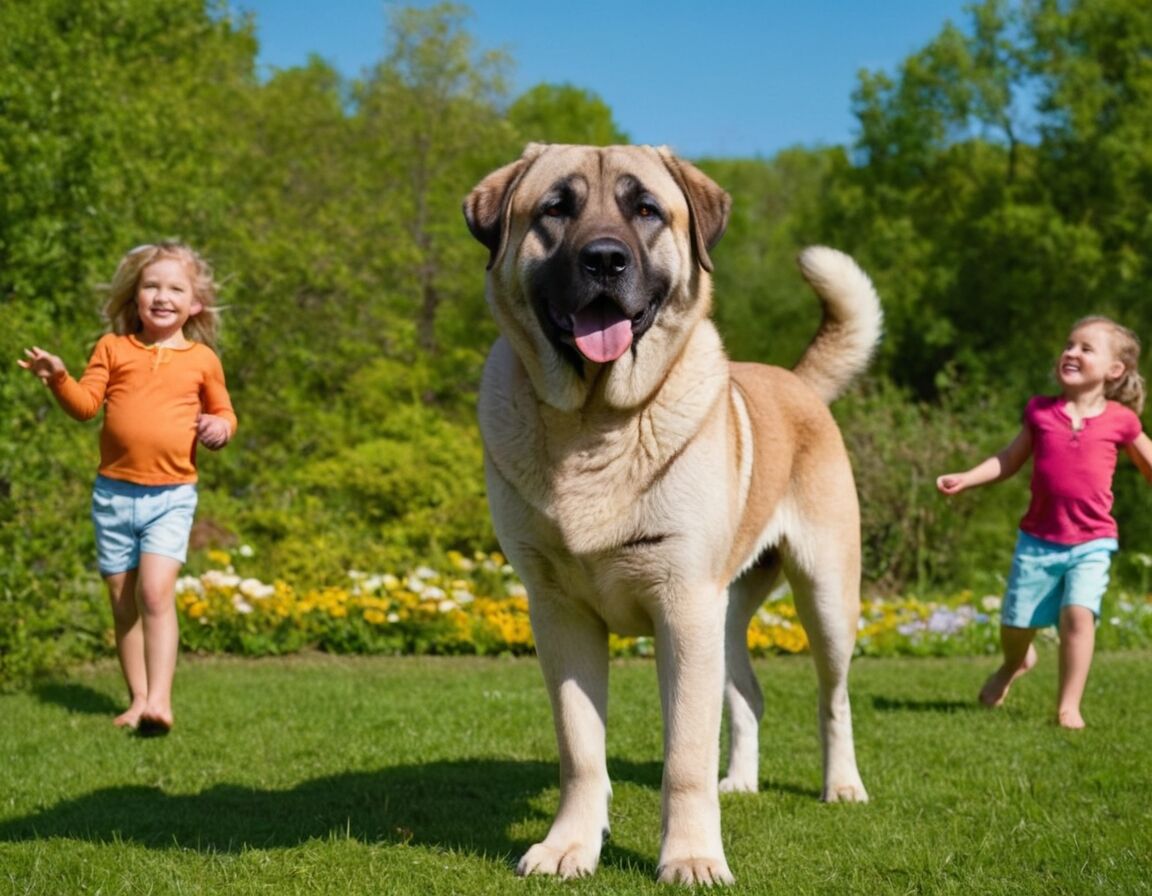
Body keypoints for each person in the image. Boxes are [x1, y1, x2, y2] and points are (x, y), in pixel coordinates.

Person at [19, 242, 236, 736]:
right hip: (113, 496)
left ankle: (161, 701)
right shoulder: (112, 348)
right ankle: (138, 700)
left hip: (171, 495)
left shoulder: (203, 360)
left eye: (175, 288)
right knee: (123, 602)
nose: (162, 296)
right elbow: (85, 406)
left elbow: (224, 412)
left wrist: (221, 429)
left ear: (195, 303)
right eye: (151, 286)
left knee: (156, 593)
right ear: (135, 295)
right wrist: (57, 379)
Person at [936, 316, 1152, 728]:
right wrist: (967, 478)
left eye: (1086, 349)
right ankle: (1015, 663)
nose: (1071, 353)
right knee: (1016, 623)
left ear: (1114, 370)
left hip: (1093, 540)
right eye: (1069, 345)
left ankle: (1068, 706)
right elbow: (1008, 459)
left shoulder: (1120, 420)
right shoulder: (1041, 412)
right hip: (1039, 539)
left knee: (1078, 615)